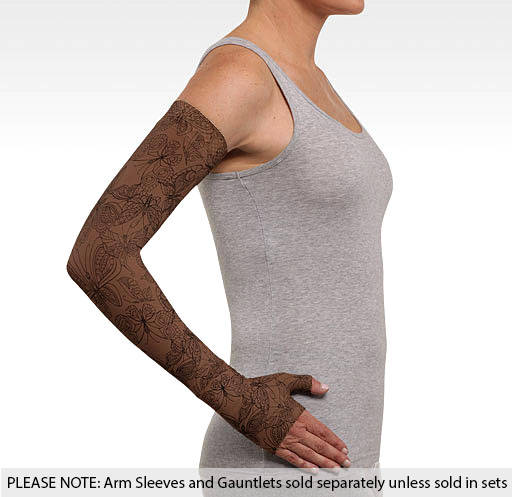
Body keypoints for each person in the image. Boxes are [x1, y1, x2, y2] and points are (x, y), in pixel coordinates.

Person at [66, 0, 392, 477]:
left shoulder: (311, 80)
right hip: (274, 465)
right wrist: (243, 404)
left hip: (345, 463)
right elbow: (100, 252)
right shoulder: (239, 75)